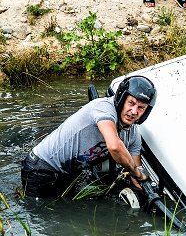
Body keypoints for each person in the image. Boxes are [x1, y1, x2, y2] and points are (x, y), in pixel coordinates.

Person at [21, 75, 157, 198]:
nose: (134, 111)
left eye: (141, 108)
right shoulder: (104, 108)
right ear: (122, 99)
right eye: (131, 103)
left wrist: (146, 191)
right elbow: (115, 147)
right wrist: (137, 173)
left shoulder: (133, 136)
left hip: (67, 173)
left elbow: (135, 168)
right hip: (41, 167)